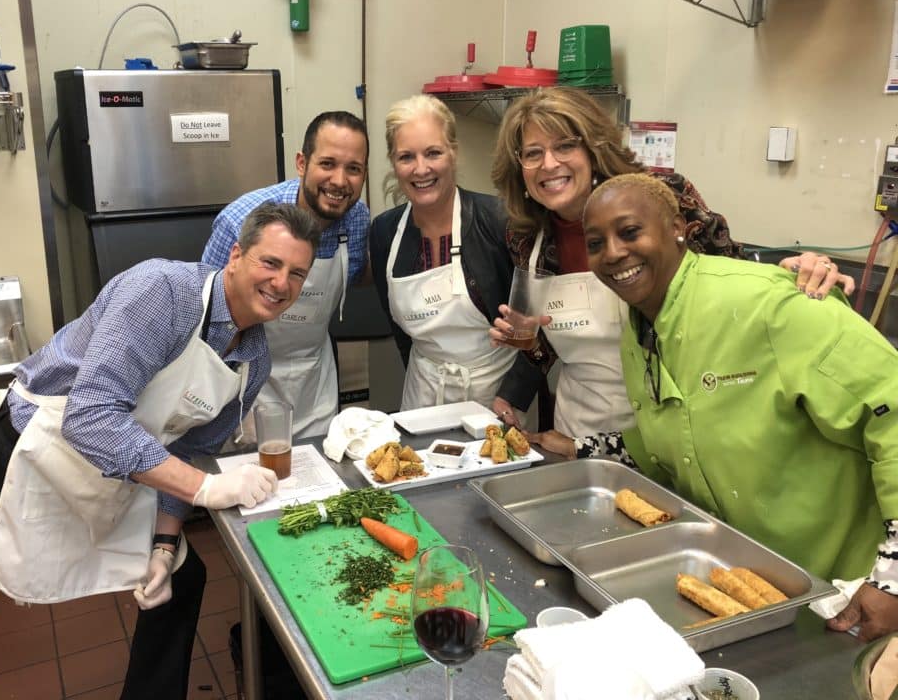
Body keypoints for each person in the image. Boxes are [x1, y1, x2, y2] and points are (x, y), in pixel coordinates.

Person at [0, 203, 322, 700]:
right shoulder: (162, 294)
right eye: (270, 263)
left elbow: (189, 450)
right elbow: (91, 417)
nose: (281, 283)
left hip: (104, 474)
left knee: (183, 578)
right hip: (14, 452)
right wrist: (206, 487)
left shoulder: (254, 358)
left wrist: (164, 548)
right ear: (235, 255)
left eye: (297, 274)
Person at [580, 172, 898, 642]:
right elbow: (672, 432)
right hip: (753, 586)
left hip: (846, 589)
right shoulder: (639, 324)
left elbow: (889, 407)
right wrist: (587, 451)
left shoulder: (767, 303)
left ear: (677, 228)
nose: (612, 253)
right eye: (595, 243)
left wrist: (892, 578)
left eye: (630, 232)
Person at [487, 86, 855, 455]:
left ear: (593, 148)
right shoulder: (528, 237)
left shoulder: (659, 200)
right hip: (578, 435)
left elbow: (733, 282)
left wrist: (793, 272)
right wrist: (531, 343)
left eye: (565, 145)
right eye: (533, 153)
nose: (549, 164)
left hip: (677, 436)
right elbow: (552, 345)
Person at [202, 111, 370, 439]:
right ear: (302, 163)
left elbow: (357, 276)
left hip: (315, 385)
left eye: (353, 169)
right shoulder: (240, 222)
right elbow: (206, 320)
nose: (339, 181)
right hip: (245, 385)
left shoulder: (356, 220)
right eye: (327, 163)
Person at [369, 94, 534, 410]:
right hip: (423, 393)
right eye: (406, 157)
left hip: (497, 393)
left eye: (433, 153)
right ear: (393, 162)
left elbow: (532, 330)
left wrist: (513, 395)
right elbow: (401, 334)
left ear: (453, 153)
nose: (421, 169)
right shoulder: (385, 232)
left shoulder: (501, 221)